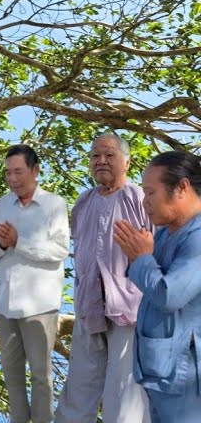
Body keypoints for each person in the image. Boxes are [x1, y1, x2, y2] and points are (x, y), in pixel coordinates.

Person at [54, 133, 151, 422]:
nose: (101, 161)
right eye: (95, 156)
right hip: (89, 309)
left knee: (124, 395)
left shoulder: (138, 196)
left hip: (130, 307)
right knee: (76, 395)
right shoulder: (83, 202)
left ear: (127, 161)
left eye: (109, 155)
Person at [0, 144, 70, 423]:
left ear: (35, 171)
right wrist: (5, 245)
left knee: (41, 377)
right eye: (8, 173)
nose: (12, 179)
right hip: (5, 305)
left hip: (40, 307)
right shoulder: (1, 205)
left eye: (18, 172)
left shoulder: (54, 204)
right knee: (12, 376)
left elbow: (59, 250)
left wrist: (19, 242)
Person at [115, 150, 201, 423]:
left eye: (150, 193)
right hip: (160, 372)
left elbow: (168, 294)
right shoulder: (164, 232)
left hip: (185, 378)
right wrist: (140, 256)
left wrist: (141, 259)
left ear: (182, 188)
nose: (145, 203)